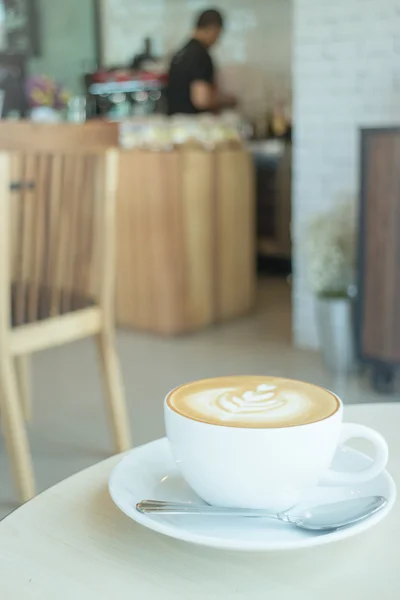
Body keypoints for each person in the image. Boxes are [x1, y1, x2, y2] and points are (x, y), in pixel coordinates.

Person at [167, 8, 235, 115]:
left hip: (175, 122)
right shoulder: (201, 55)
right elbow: (201, 100)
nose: (217, 41)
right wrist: (228, 101)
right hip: (195, 124)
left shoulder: (180, 53)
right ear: (213, 29)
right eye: (218, 35)